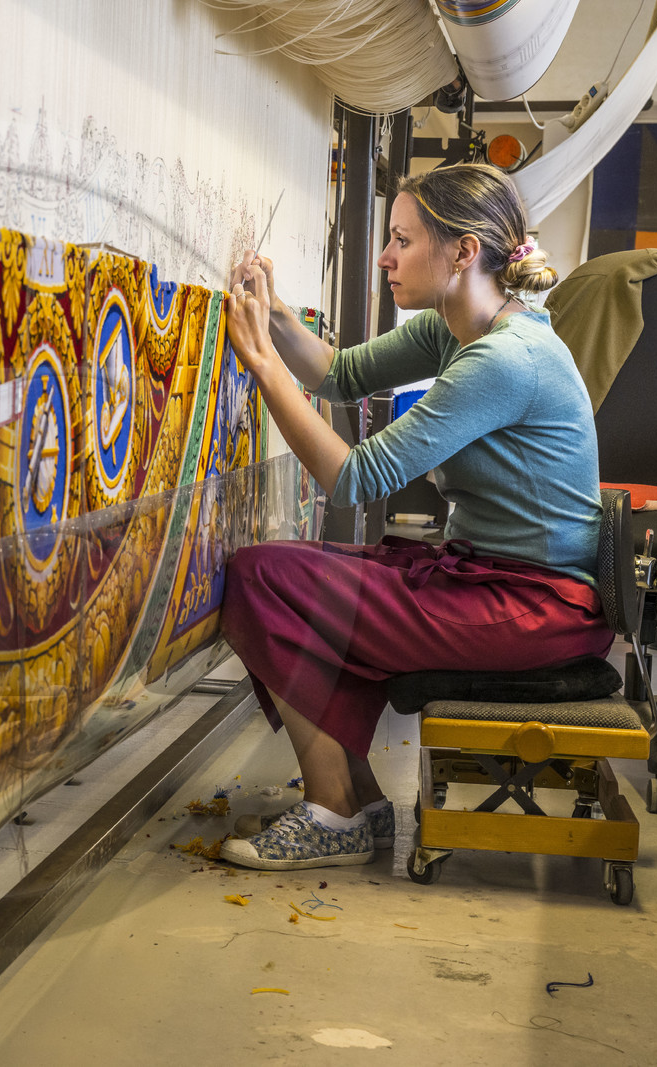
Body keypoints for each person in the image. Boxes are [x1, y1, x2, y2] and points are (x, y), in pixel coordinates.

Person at [215, 163, 613, 871]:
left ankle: (336, 809)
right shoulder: (459, 328)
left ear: (462, 252)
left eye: (401, 239)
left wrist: (261, 365)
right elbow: (338, 373)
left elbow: (353, 478)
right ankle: (356, 803)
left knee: (264, 576)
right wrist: (274, 319)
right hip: (487, 580)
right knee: (289, 575)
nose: (385, 256)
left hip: (527, 605)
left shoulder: (503, 359)